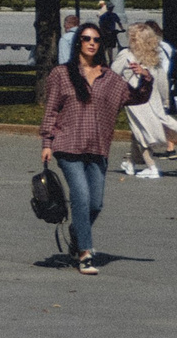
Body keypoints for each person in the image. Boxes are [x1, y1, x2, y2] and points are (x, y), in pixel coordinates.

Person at [42, 23, 134, 273]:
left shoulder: (110, 78)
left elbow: (134, 97)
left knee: (95, 204)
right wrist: (47, 142)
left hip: (97, 147)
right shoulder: (62, 74)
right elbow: (51, 109)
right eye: (86, 38)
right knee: (80, 198)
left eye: (96, 39)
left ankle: (76, 231)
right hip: (68, 144)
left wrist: (144, 79)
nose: (91, 43)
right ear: (78, 43)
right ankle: (85, 253)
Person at [112, 20, 171, 179]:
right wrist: (165, 101)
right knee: (138, 131)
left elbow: (112, 75)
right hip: (154, 99)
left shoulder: (125, 55)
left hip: (135, 100)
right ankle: (131, 163)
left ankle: (152, 167)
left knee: (141, 133)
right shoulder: (154, 57)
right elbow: (162, 81)